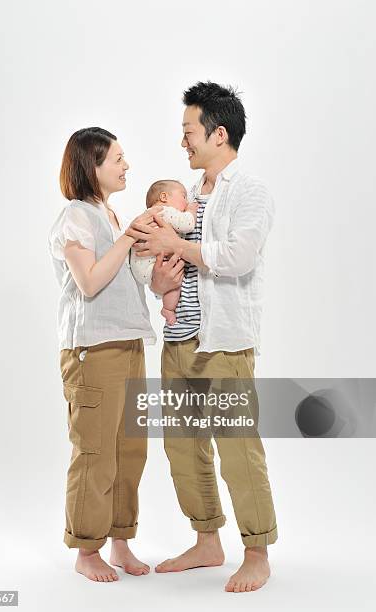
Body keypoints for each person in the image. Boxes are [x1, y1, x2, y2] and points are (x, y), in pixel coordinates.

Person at [126, 81, 278, 593]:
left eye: (189, 132)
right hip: (179, 341)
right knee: (182, 445)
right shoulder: (181, 200)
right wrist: (158, 280)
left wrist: (179, 245)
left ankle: (256, 552)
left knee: (237, 445)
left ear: (218, 133)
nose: (183, 142)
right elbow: (157, 266)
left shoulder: (250, 192)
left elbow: (238, 258)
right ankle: (207, 539)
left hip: (225, 341)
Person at [48, 127, 184, 583]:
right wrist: (128, 238)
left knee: (130, 451)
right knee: (95, 452)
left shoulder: (108, 215)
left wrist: (163, 279)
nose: (127, 166)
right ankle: (87, 550)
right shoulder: (76, 217)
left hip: (127, 343)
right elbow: (88, 282)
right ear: (93, 166)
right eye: (118, 159)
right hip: (93, 349)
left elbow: (127, 282)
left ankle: (120, 541)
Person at [130, 179, 198, 325]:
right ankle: (168, 309)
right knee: (175, 279)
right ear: (164, 197)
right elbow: (187, 224)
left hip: (140, 268)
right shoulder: (164, 211)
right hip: (152, 265)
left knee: (172, 279)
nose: (186, 202)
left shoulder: (146, 215)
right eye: (183, 196)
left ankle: (167, 308)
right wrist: (191, 211)